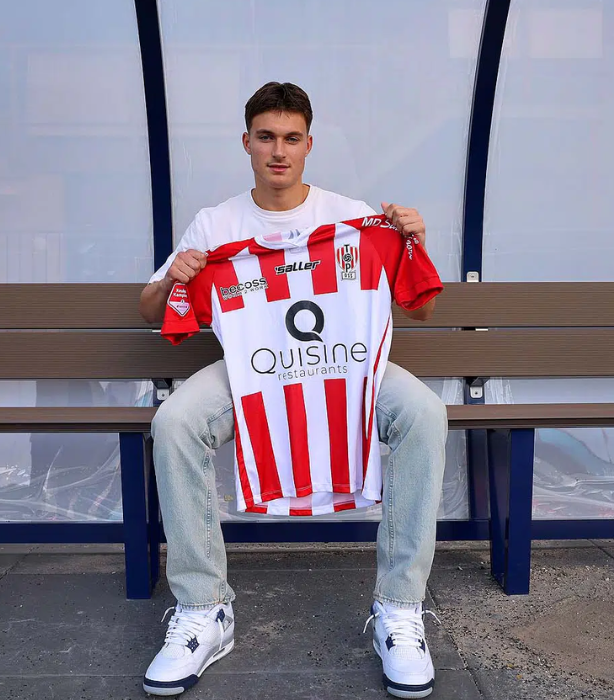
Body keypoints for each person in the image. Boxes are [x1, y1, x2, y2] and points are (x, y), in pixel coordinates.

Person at [137, 81, 448, 699]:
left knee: (424, 412)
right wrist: (175, 276)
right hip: (253, 368)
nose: (278, 150)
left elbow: (421, 309)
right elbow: (153, 311)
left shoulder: (352, 217)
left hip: (346, 365)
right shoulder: (215, 222)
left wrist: (413, 239)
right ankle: (203, 609)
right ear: (246, 142)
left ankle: (399, 608)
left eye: (291, 138)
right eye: (266, 137)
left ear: (309, 144)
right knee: (174, 422)